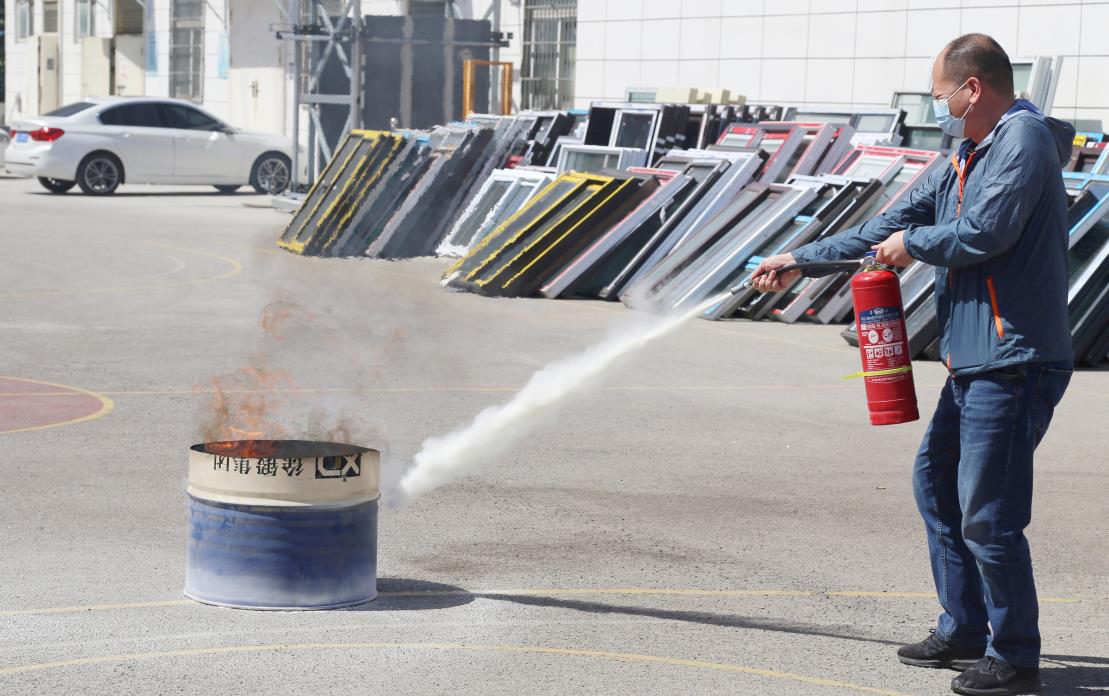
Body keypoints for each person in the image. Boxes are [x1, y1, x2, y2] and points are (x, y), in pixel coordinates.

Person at [750, 34, 1074, 696]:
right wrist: (798, 259)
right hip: (973, 360)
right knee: (936, 485)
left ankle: (1014, 655)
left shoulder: (1023, 141)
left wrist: (914, 244)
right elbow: (886, 226)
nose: (937, 108)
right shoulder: (964, 154)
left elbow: (987, 232)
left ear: (972, 89)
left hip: (1014, 359)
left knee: (988, 512)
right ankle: (964, 626)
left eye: (940, 96)